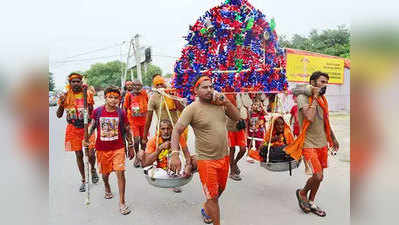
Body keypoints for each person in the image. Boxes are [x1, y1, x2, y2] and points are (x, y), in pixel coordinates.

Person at [169, 75, 240, 225]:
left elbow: (237, 117)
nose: (209, 90)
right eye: (205, 87)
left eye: (211, 87)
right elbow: (176, 131)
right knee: (213, 197)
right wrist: (175, 154)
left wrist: (226, 102)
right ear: (196, 90)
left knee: (220, 191)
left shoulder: (219, 103)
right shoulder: (192, 109)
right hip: (206, 160)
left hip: (224, 157)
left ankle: (207, 208)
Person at [285, 71, 340, 217]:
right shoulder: (303, 97)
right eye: (322, 82)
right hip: (308, 144)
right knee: (317, 175)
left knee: (320, 177)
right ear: (313, 82)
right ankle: (302, 193)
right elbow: (309, 116)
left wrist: (333, 138)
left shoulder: (323, 99)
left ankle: (311, 202)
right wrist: (315, 96)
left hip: (322, 143)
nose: (325, 85)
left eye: (326, 82)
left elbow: (325, 121)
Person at [85, 86, 134, 215]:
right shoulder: (97, 112)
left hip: (118, 148)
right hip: (102, 149)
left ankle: (122, 202)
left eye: (116, 98)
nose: (113, 100)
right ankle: (107, 186)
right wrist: (87, 138)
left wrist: (131, 145)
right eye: (110, 97)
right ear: (105, 98)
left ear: (119, 99)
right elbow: (92, 127)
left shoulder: (121, 113)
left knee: (120, 172)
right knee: (105, 174)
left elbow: (127, 129)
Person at [56, 73, 99, 192]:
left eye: (77, 81)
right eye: (73, 82)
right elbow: (59, 115)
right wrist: (61, 104)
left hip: (87, 128)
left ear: (81, 82)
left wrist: (88, 115)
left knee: (90, 154)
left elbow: (91, 112)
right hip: (73, 129)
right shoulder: (65, 96)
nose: (75, 83)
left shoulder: (87, 94)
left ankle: (93, 169)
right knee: (79, 154)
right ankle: (84, 180)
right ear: (69, 84)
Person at [142, 119, 197, 192]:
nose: (166, 131)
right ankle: (174, 176)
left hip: (177, 168)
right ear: (158, 130)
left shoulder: (179, 137)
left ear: (172, 129)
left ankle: (176, 176)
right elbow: (146, 163)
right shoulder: (153, 141)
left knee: (197, 159)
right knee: (141, 154)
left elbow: (187, 155)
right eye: (163, 129)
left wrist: (188, 166)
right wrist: (159, 148)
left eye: (168, 128)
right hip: (160, 171)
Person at [142, 74, 186, 153]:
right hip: (162, 130)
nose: (159, 86)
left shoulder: (172, 93)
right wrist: (144, 137)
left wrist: (174, 98)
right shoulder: (153, 98)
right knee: (162, 154)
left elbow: (182, 109)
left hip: (175, 129)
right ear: (154, 86)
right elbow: (148, 119)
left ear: (164, 84)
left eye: (161, 84)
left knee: (176, 152)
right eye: (157, 85)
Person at [123, 79, 149, 167]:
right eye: (135, 85)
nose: (137, 87)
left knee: (144, 140)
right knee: (137, 140)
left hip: (143, 120)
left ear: (141, 86)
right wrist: (124, 121)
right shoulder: (128, 95)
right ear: (132, 86)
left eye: (139, 85)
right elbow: (125, 108)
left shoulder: (144, 93)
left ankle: (143, 156)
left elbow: (148, 105)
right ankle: (137, 157)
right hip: (133, 121)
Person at [224, 90, 247, 181]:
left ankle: (234, 163)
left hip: (240, 125)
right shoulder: (226, 92)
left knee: (243, 149)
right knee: (232, 149)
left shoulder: (242, 91)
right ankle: (232, 172)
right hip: (229, 125)